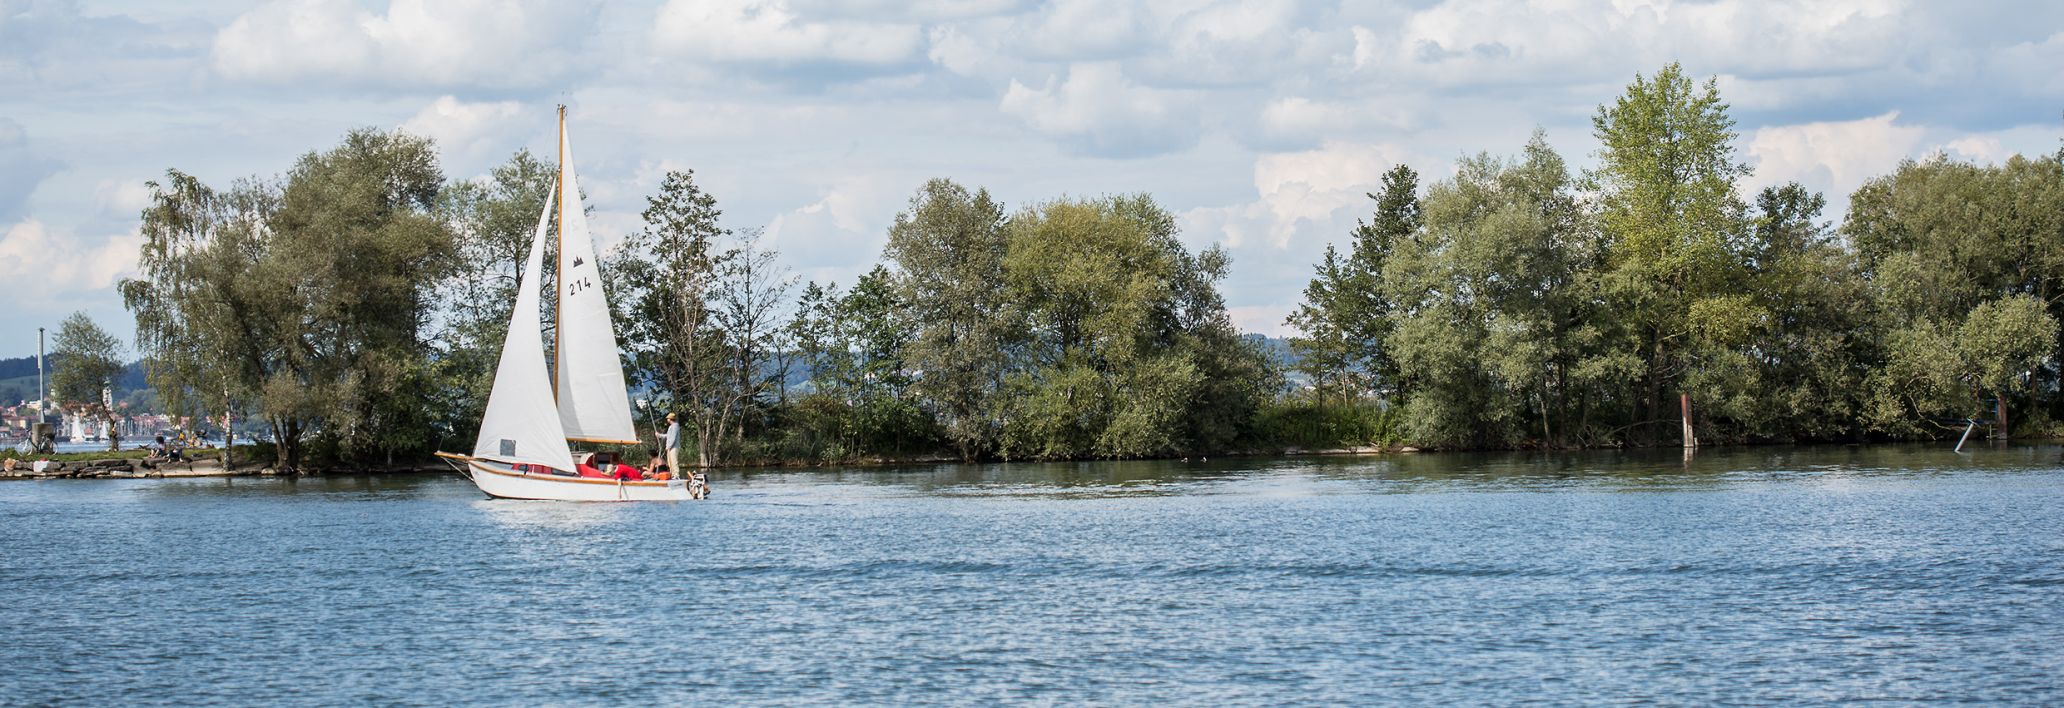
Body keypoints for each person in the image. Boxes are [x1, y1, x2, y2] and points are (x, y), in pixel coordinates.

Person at [656, 412, 682, 481]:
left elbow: (673, 438)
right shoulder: (671, 427)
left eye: (668, 418)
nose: (667, 419)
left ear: (670, 419)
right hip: (670, 447)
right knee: (670, 462)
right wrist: (659, 435)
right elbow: (668, 435)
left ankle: (676, 475)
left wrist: (669, 446)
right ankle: (672, 474)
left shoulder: (675, 426)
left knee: (674, 461)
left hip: (674, 447)